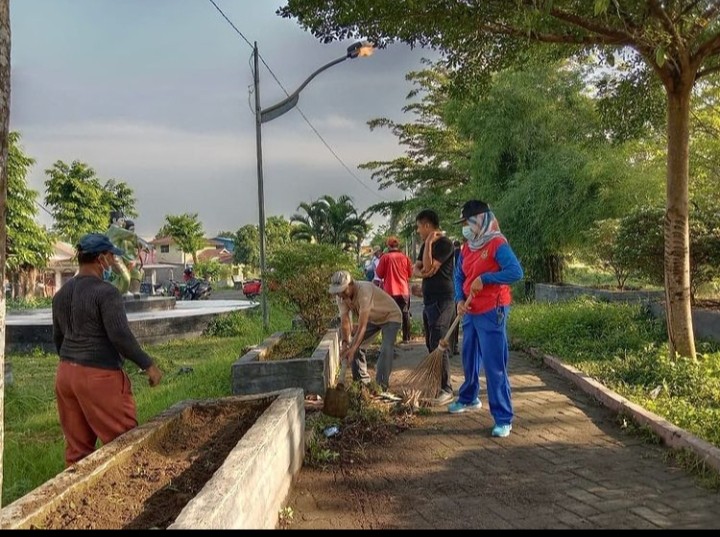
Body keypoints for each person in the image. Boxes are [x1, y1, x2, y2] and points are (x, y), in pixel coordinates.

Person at [52, 232, 164, 466]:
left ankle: (75, 496)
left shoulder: (61, 295)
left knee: (78, 452)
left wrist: (73, 365)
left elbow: (58, 338)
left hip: (65, 375)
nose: (113, 261)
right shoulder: (106, 292)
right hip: (99, 376)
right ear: (100, 258)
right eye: (111, 256)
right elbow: (120, 336)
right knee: (125, 442)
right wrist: (148, 365)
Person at [450, 200, 523, 439]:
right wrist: (460, 299)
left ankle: (503, 418)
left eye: (467, 223)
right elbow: (459, 275)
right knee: (469, 357)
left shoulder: (497, 243)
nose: (465, 228)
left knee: (494, 365)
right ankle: (469, 398)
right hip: (470, 309)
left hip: (493, 310)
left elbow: (515, 272)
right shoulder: (467, 247)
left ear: (479, 220)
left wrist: (487, 278)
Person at [328, 270, 401, 392]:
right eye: (338, 292)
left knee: (385, 348)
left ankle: (381, 387)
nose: (341, 295)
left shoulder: (364, 290)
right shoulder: (341, 297)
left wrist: (352, 348)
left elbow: (362, 327)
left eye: (343, 291)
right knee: (355, 347)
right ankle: (362, 383)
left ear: (351, 284)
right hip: (373, 318)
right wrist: (345, 344)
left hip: (390, 316)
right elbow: (345, 322)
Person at [414, 209, 456, 406]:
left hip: (443, 301)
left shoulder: (446, 244)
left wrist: (430, 243)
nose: (418, 232)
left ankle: (447, 388)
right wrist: (424, 273)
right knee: (431, 344)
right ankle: (438, 384)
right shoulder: (423, 245)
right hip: (429, 301)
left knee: (440, 342)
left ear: (427, 226)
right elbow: (418, 269)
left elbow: (430, 267)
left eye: (419, 227)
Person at [375, 236, 414, 343]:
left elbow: (379, 274)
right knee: (405, 313)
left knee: (389, 315)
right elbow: (410, 274)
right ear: (398, 246)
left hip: (390, 291)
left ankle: (390, 339)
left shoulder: (385, 258)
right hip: (403, 291)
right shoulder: (405, 257)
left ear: (388, 246)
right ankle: (406, 338)